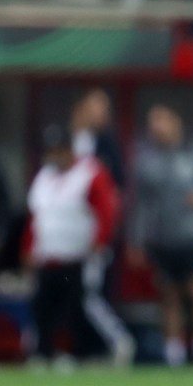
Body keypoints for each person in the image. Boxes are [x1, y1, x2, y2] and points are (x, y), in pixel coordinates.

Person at [23, 124, 120, 369]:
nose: (55, 155)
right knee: (43, 307)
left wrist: (99, 243)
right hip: (48, 256)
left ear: (69, 149)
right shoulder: (44, 177)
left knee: (77, 307)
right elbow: (36, 217)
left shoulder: (89, 172)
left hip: (78, 256)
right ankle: (43, 353)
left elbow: (106, 211)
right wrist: (29, 249)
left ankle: (86, 352)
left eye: (59, 150)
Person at [128, 105, 193, 367]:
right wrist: (136, 240)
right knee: (169, 294)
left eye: (162, 121)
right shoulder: (147, 161)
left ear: (175, 122)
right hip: (163, 238)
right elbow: (140, 205)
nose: (158, 128)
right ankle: (173, 351)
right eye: (153, 123)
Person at [71, 89, 135, 366]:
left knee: (94, 291)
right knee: (73, 292)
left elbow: (116, 189)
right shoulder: (73, 140)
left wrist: (105, 229)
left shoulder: (107, 143)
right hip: (68, 230)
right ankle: (82, 348)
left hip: (96, 230)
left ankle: (113, 343)